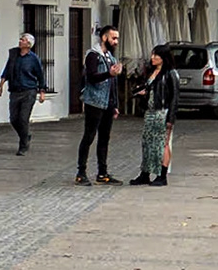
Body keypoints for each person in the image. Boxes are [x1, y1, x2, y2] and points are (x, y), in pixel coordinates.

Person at [75, 24, 123, 185]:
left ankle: (102, 173)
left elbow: (113, 83)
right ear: (104, 37)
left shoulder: (110, 57)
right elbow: (92, 77)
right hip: (94, 102)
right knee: (89, 136)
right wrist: (109, 73)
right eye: (113, 38)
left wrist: (115, 103)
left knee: (104, 138)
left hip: (107, 103)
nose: (116, 41)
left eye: (117, 38)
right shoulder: (93, 55)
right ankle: (81, 172)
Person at [130, 44, 177, 186]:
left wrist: (171, 118)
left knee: (162, 144)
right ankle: (145, 173)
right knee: (147, 143)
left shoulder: (170, 73)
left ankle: (162, 175)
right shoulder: (152, 72)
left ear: (163, 58)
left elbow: (175, 97)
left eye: (156, 55)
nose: (153, 58)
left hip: (162, 112)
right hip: (150, 112)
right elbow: (149, 88)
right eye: (152, 55)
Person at [0, 31, 49, 154]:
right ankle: (25, 135)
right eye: (20, 39)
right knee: (14, 119)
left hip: (29, 91)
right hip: (15, 91)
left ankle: (23, 145)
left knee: (23, 118)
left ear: (29, 44)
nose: (20, 41)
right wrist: (1, 84)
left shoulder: (34, 59)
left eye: (23, 40)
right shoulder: (14, 56)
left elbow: (40, 75)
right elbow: (7, 70)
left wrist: (42, 91)